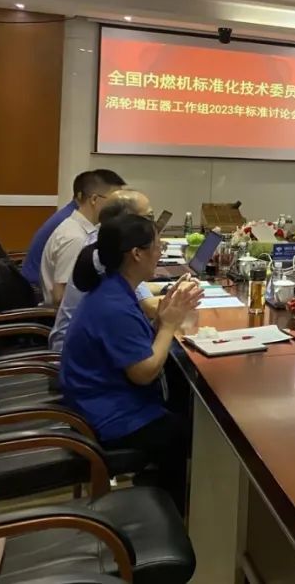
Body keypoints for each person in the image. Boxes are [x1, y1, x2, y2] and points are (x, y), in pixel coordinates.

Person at [60, 214, 202, 514]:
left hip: (102, 397)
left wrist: (162, 317)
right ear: (137, 253)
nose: (160, 252)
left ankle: (155, 485)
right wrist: (168, 326)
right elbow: (143, 373)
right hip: (105, 414)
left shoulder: (113, 288)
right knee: (188, 432)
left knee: (182, 398)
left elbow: (136, 346)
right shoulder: (114, 305)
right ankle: (171, 512)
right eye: (157, 246)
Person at [49, 189, 159, 351]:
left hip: (85, 342)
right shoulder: (112, 255)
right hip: (78, 349)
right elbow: (148, 307)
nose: (153, 224)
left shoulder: (104, 242)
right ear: (129, 220)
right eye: (149, 217)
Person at [21, 169, 125, 289]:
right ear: (94, 199)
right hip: (37, 290)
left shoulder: (82, 224)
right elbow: (61, 293)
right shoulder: (75, 238)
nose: (120, 207)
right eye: (115, 201)